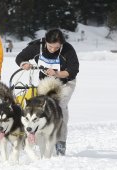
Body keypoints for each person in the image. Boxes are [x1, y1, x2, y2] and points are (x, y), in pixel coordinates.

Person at [15, 28, 79, 156]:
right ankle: (41, 138)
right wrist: (24, 64)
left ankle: (60, 141)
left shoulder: (68, 49)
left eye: (56, 47)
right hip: (45, 83)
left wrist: (57, 73)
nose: (53, 49)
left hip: (65, 83)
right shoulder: (37, 46)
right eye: (50, 46)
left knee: (59, 106)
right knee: (40, 109)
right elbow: (20, 57)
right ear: (46, 42)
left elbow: (73, 70)